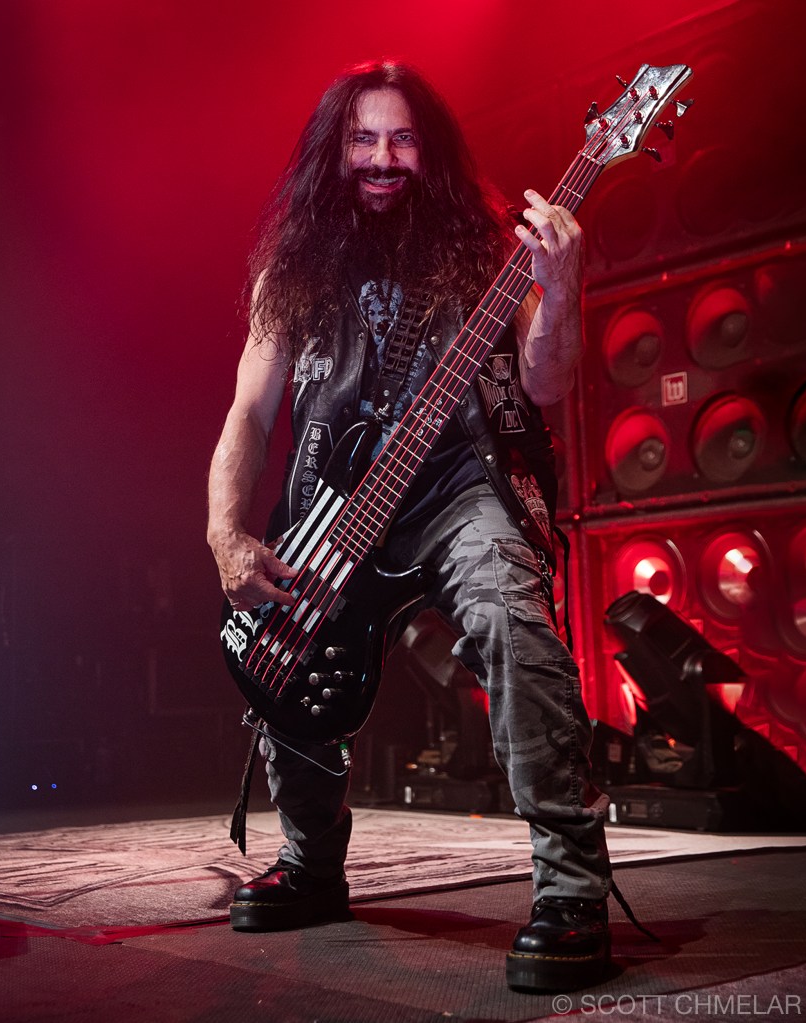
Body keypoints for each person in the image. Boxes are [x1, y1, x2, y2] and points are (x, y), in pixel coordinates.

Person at [207, 59, 612, 992]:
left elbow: (547, 380)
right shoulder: (292, 265)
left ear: (431, 151)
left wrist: (562, 284)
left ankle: (572, 890)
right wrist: (226, 533)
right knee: (289, 654)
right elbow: (249, 414)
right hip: (338, 506)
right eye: (362, 139)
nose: (383, 158)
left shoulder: (487, 247)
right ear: (333, 152)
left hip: (458, 488)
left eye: (402, 138)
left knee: (511, 616)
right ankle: (312, 867)